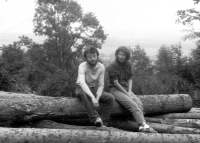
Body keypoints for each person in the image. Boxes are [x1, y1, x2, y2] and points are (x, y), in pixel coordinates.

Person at [108, 46, 157, 133]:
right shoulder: (113, 66)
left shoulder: (128, 64)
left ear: (127, 56)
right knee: (133, 105)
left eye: (123, 55)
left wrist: (129, 92)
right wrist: (127, 94)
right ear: (117, 54)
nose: (121, 56)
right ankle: (143, 125)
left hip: (126, 89)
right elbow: (115, 83)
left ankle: (139, 126)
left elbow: (130, 79)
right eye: (119, 54)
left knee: (139, 104)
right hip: (115, 89)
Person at [76, 46, 115, 127]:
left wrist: (97, 97)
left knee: (110, 98)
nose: (92, 58)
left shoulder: (101, 67)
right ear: (86, 58)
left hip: (92, 88)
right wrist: (93, 98)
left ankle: (103, 123)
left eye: (94, 56)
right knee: (83, 93)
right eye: (89, 57)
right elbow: (82, 83)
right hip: (80, 88)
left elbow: (101, 85)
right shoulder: (82, 66)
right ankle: (95, 118)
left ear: (97, 56)